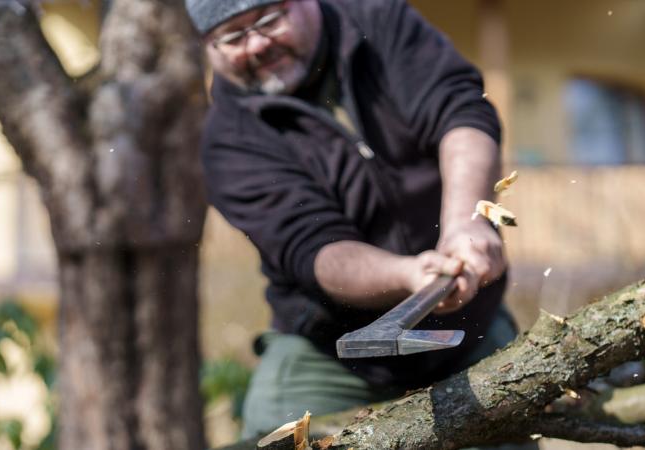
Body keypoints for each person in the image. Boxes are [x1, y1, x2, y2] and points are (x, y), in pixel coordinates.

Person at [186, 0, 521, 439]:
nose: (256, 45)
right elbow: (315, 250)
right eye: (232, 37)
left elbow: (461, 112)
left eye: (270, 21)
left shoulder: (380, 23)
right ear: (208, 46)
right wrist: (409, 273)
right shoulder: (228, 141)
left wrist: (467, 222)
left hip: (469, 326)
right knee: (275, 437)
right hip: (332, 349)